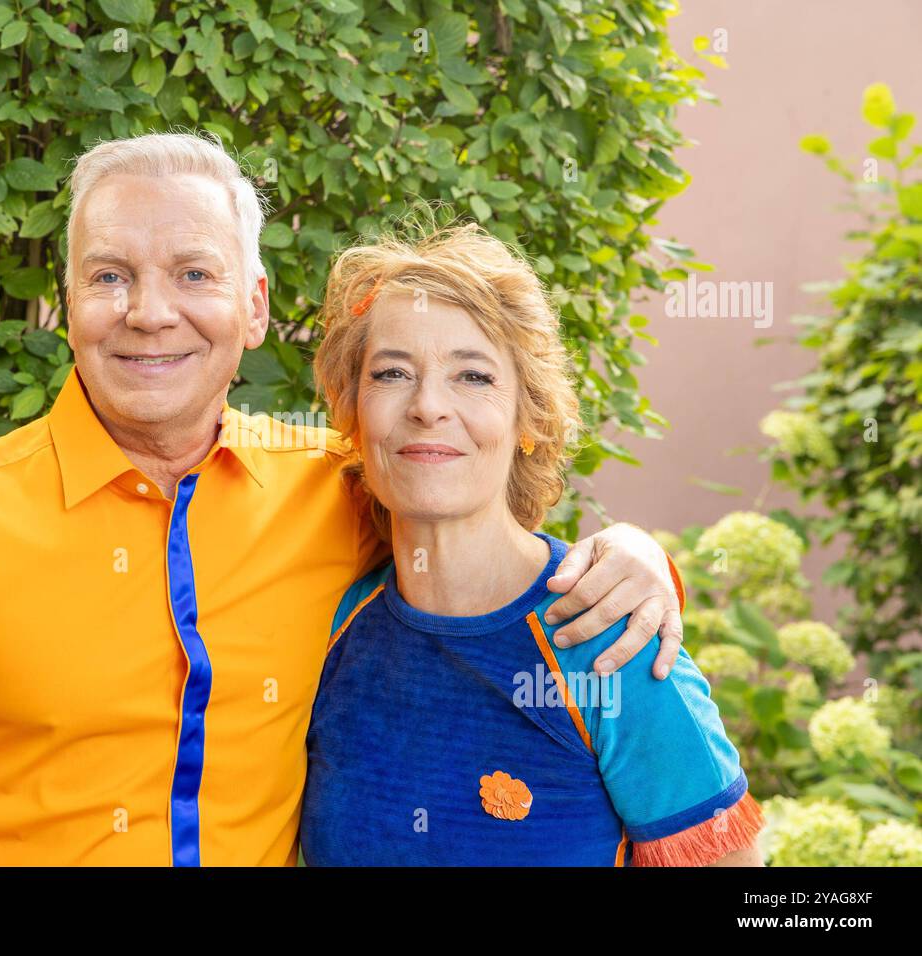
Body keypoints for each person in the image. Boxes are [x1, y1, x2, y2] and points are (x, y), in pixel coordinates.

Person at [0, 132, 690, 866]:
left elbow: (461, 490)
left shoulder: (336, 484)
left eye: (194, 273)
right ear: (67, 302)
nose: (148, 311)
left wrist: (633, 560)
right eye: (108, 276)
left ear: (254, 307)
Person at [301, 222, 763, 866]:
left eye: (473, 377)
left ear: (529, 418)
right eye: (393, 372)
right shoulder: (332, 629)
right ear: (352, 411)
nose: (429, 406)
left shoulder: (609, 636)